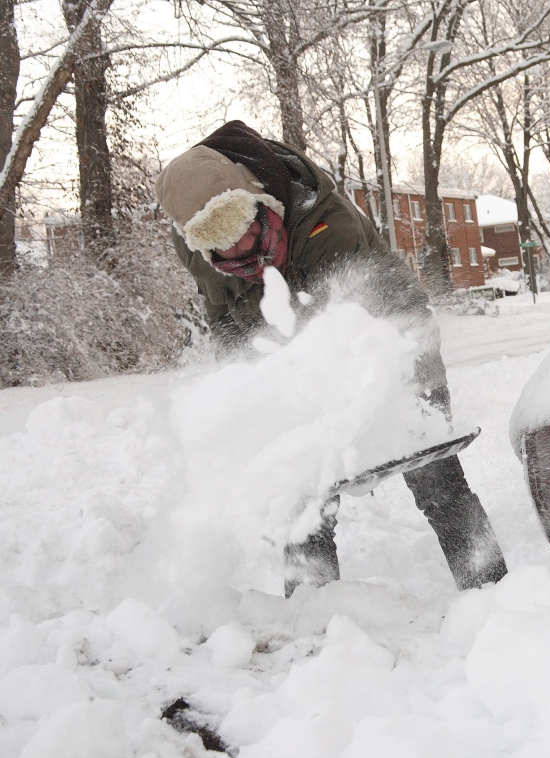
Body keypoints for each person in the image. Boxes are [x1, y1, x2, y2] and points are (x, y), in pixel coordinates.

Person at [153, 120, 507, 595]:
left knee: (433, 471)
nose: (238, 248)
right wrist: (248, 392)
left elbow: (343, 330)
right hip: (292, 364)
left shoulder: (323, 222)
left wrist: (332, 403)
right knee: (301, 488)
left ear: (259, 201)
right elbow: (221, 317)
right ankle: (312, 606)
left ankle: (490, 587)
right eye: (220, 243)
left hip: (391, 338)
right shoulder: (197, 249)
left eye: (242, 228)